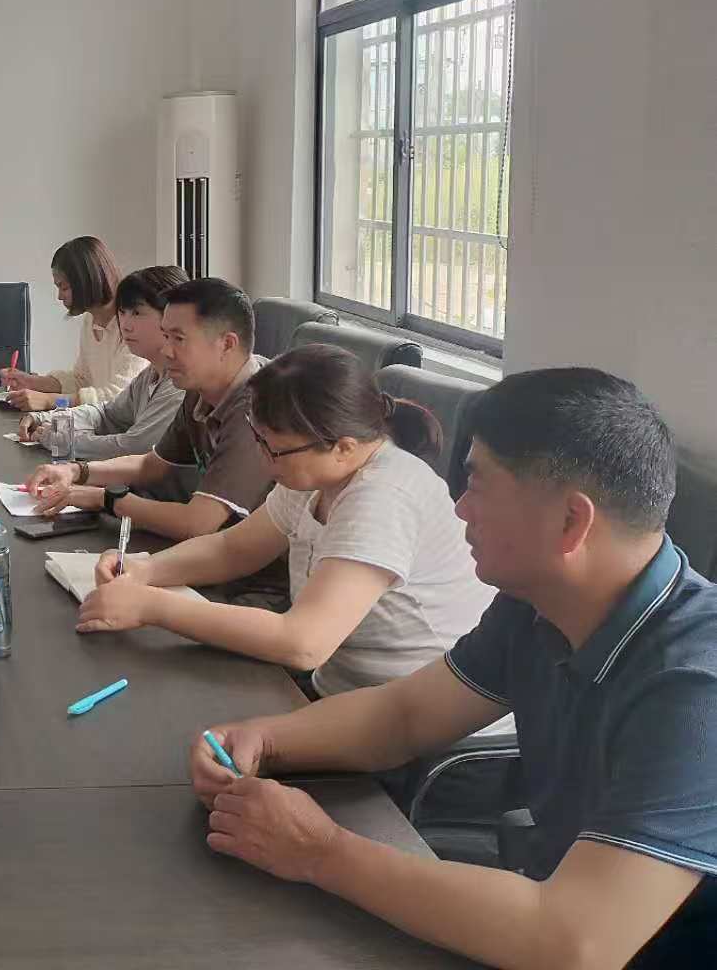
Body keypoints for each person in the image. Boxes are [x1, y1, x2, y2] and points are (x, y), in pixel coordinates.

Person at [189, 368, 717, 969]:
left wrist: (319, 851)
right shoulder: (537, 604)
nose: (460, 507)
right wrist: (264, 738)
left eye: (477, 483)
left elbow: (575, 942)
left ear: (571, 522)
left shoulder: (696, 685)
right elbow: (406, 714)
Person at [75, 344, 497, 705]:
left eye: (274, 449)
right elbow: (234, 549)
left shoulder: (383, 496)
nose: (264, 460)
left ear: (343, 446)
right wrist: (145, 569)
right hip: (345, 695)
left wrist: (152, 606)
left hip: (417, 723)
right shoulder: (315, 471)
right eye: (259, 439)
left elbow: (303, 642)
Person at [26, 278, 275, 546]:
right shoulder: (200, 390)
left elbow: (197, 523)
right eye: (166, 336)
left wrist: (105, 499)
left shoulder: (257, 408)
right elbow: (152, 465)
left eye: (178, 339)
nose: (166, 350)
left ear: (227, 344)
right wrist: (76, 471)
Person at [17, 265, 188, 459]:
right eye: (122, 312)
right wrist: (46, 418)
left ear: (169, 317)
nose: (125, 325)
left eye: (137, 313)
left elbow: (135, 447)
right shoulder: (150, 375)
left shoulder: (179, 385)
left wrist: (63, 441)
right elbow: (107, 414)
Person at [0, 235, 144, 411]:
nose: (59, 296)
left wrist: (50, 400)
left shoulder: (132, 325)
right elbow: (82, 381)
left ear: (86, 281)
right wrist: (31, 382)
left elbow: (120, 397)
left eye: (64, 287)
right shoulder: (91, 320)